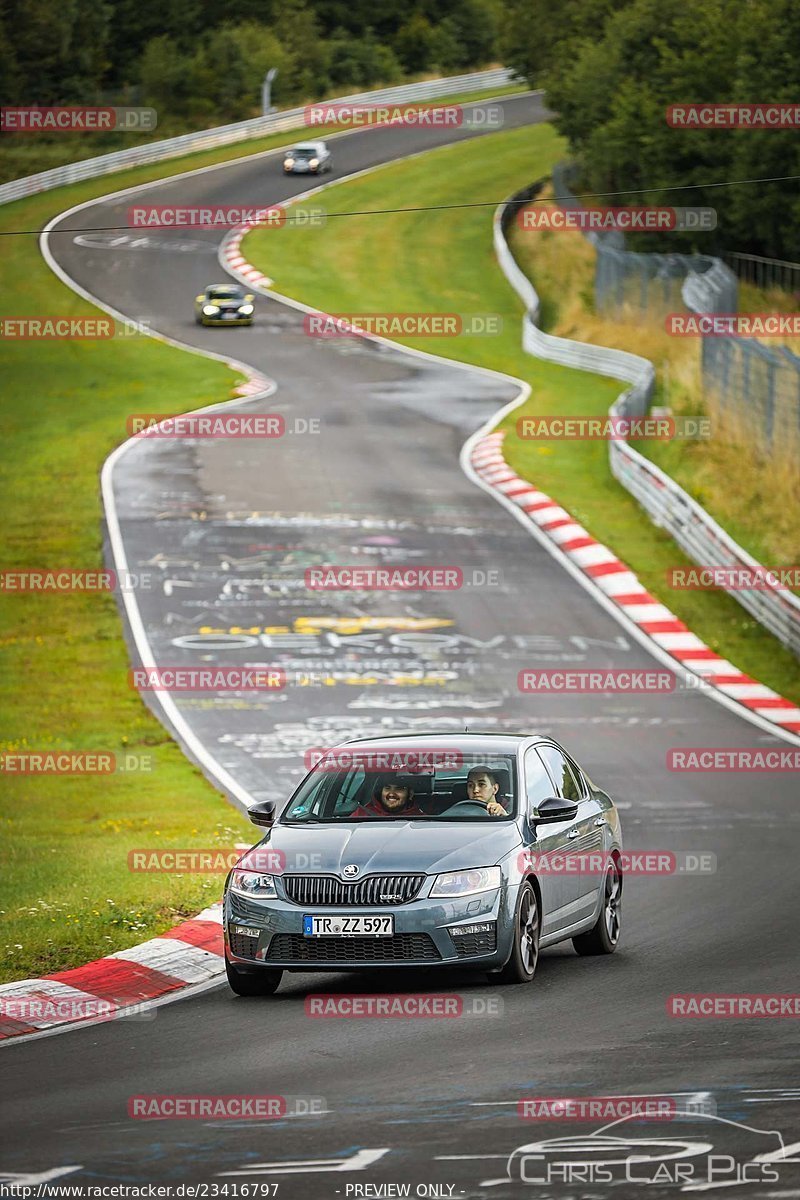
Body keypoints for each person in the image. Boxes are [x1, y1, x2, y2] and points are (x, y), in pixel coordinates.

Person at [350, 775, 424, 818]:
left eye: (398, 789)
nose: (391, 793)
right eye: (387, 788)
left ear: (410, 794)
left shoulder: (421, 820)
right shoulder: (361, 814)